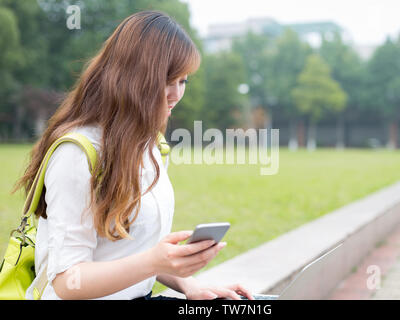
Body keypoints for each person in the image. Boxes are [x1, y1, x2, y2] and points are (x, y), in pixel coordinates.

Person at [15, 10, 253, 300]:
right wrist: (154, 261)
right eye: (168, 80)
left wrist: (190, 284)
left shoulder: (151, 147)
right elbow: (68, 282)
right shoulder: (76, 153)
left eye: (183, 81)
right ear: (131, 77)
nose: (176, 94)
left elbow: (131, 249)